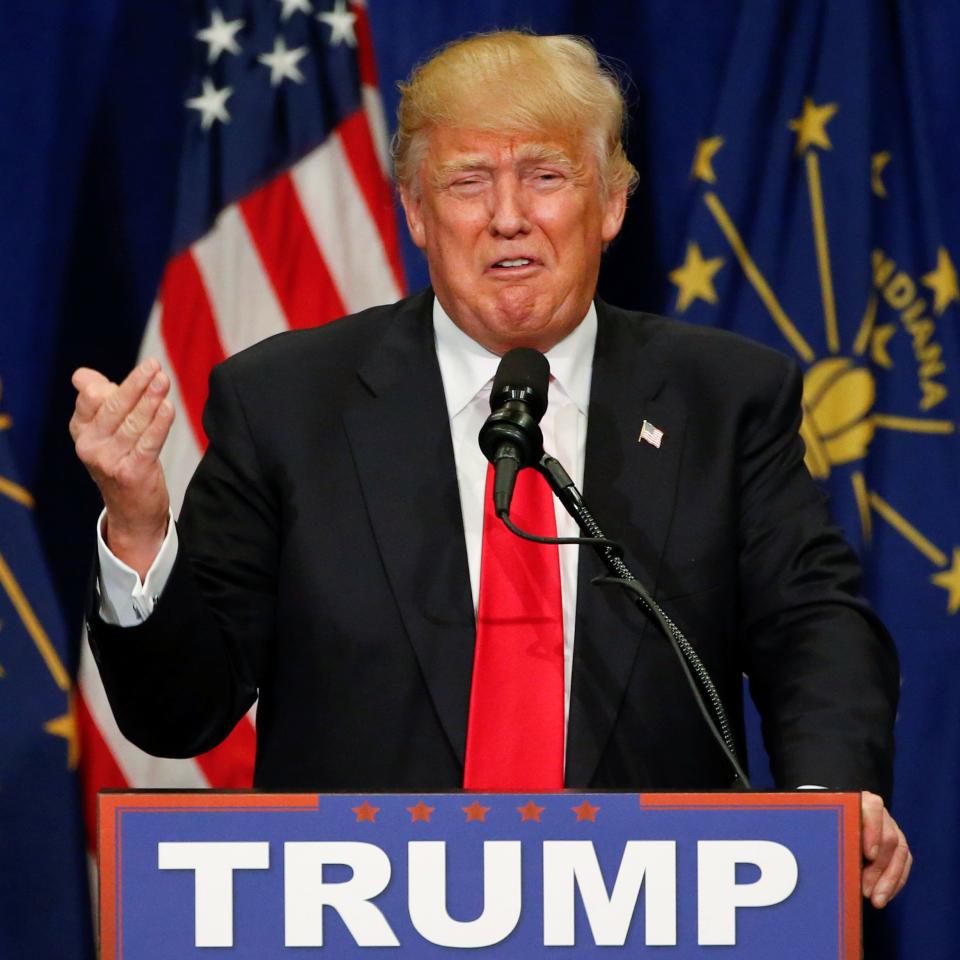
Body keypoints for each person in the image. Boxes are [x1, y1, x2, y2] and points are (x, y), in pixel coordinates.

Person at [70, 31, 910, 907]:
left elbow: (814, 625)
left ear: (613, 203)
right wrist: (135, 527)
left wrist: (823, 805)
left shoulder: (724, 398)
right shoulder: (287, 403)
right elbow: (180, 713)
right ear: (418, 213)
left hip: (650, 916)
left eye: (546, 176)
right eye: (469, 181)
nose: (508, 215)